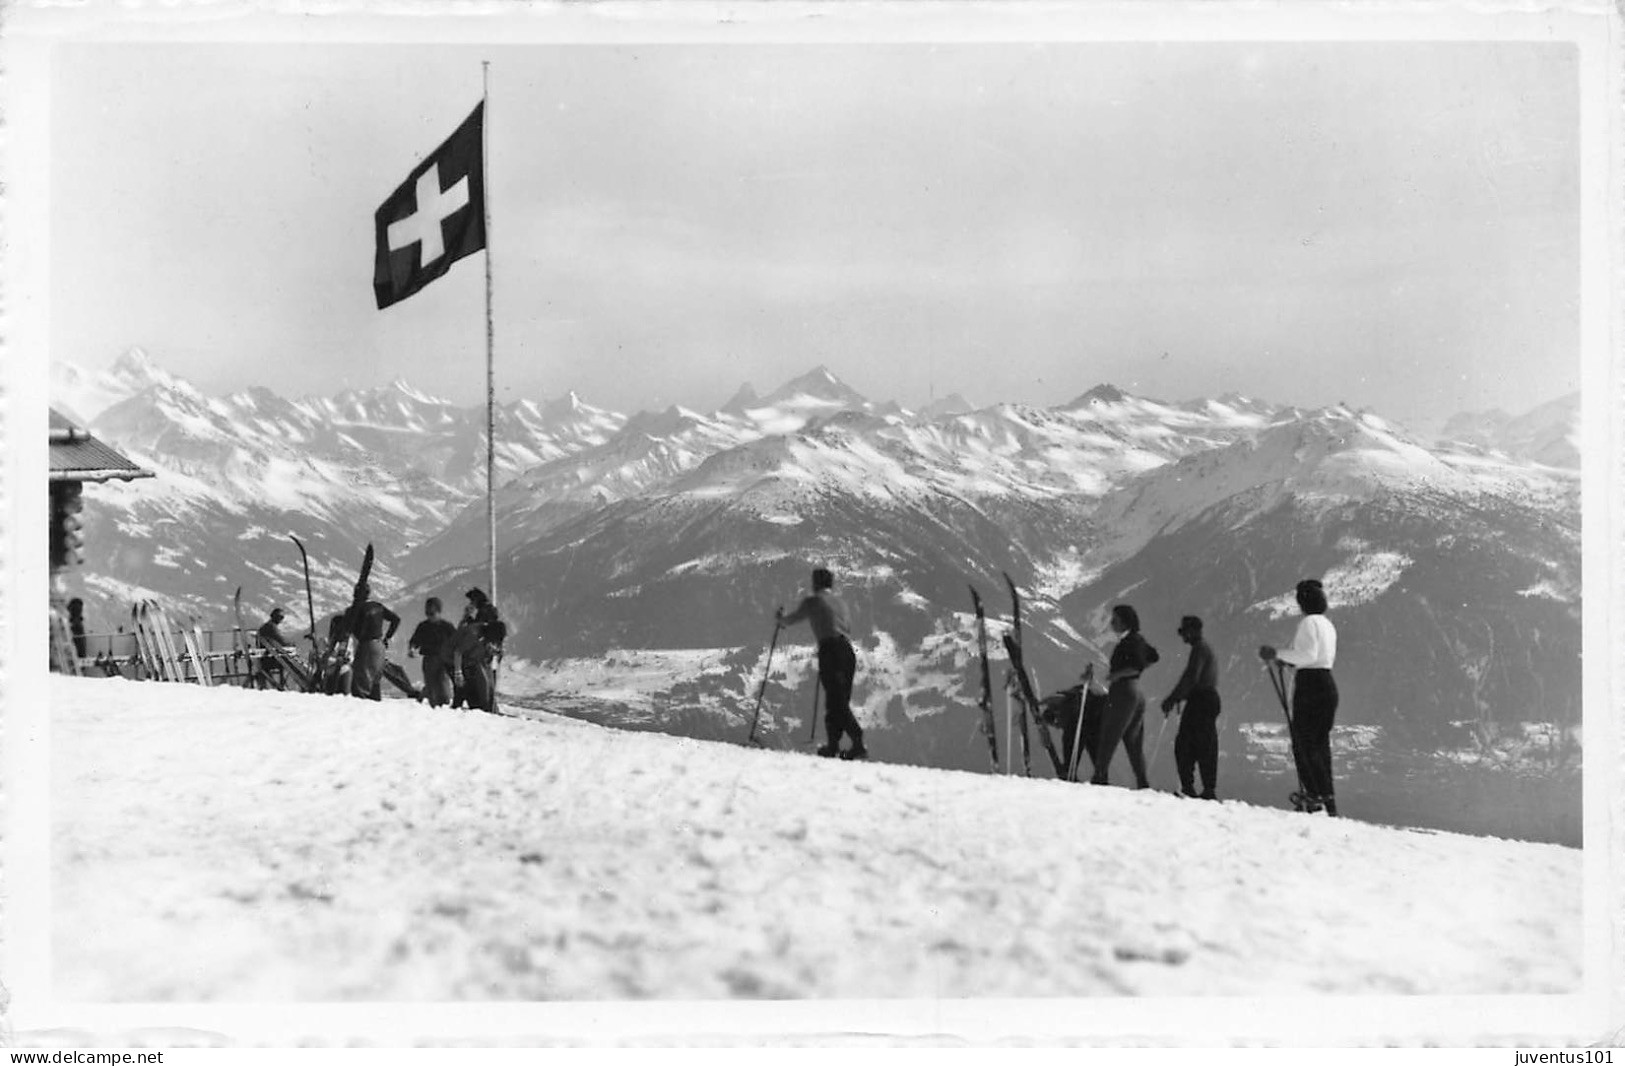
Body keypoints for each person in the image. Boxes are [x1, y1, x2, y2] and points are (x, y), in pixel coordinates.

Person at [1260, 578, 1340, 816]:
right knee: (1319, 744)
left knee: (1304, 742)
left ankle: (1315, 795)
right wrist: (1286, 659)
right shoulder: (1327, 624)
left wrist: (1277, 654)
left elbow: (1306, 655)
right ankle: (1327, 798)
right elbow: (1316, 656)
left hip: (1311, 686)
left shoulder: (1308, 623)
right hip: (1326, 683)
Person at [776, 567, 866, 760]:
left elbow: (791, 620)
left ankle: (856, 740)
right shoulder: (841, 603)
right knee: (840, 698)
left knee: (834, 700)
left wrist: (780, 620)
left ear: (815, 583)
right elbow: (846, 626)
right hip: (848, 651)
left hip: (830, 649)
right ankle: (834, 745)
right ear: (830, 584)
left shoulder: (813, 601)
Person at [1089, 603, 1158, 788]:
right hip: (1135, 692)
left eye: (1115, 620)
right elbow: (1153, 657)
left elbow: (1136, 665)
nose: (1112, 623)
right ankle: (1142, 782)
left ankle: (1100, 776)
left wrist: (1117, 675)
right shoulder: (1138, 640)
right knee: (1133, 741)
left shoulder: (1129, 642)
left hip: (1123, 692)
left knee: (1109, 733)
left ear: (1124, 622)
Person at [1161, 615, 1221, 799]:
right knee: (1204, 744)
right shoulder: (1203, 648)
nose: (1183, 636)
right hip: (1206, 699)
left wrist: (1173, 698)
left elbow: (1191, 677)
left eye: (1184, 632)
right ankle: (1205, 788)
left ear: (1192, 631)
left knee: (1186, 744)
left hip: (1201, 700)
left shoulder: (1199, 649)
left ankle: (1190, 787)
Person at [345, 582, 400, 701]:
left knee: (360, 685)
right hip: (380, 647)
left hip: (366, 647)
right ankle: (375, 711)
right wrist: (387, 638)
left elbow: (345, 630)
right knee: (375, 682)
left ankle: (362, 712)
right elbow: (396, 619)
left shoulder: (354, 611)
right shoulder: (377, 606)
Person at [407, 597, 458, 707]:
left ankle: (442, 703)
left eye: (432, 613)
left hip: (444, 660)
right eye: (428, 613)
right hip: (429, 659)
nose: (430, 616)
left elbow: (456, 642)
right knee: (431, 686)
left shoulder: (447, 627)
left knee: (443, 688)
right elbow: (415, 640)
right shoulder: (423, 626)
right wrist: (412, 649)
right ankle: (432, 704)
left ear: (439, 612)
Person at [451, 600, 493, 711]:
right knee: (467, 689)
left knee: (468, 690)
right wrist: (458, 672)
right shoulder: (473, 630)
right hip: (465, 661)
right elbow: (458, 650)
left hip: (470, 661)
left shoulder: (474, 627)